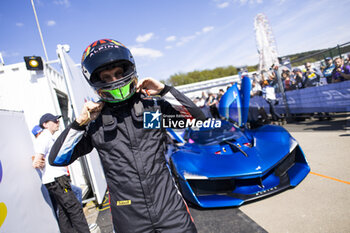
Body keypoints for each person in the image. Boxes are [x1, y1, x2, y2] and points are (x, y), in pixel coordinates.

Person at [49, 39, 206, 233]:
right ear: (96, 81)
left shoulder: (151, 109)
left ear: (128, 70)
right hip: (129, 217)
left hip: (169, 209)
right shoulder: (95, 122)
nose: (114, 80)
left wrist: (165, 90)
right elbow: (57, 159)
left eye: (118, 73)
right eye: (106, 77)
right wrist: (79, 123)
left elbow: (198, 120)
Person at [32, 113, 89, 233]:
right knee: (75, 209)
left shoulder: (48, 136)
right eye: (54, 121)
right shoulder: (45, 136)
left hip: (55, 180)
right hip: (57, 180)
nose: (57, 122)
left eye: (57, 120)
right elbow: (37, 160)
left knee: (64, 212)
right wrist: (39, 162)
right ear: (45, 124)